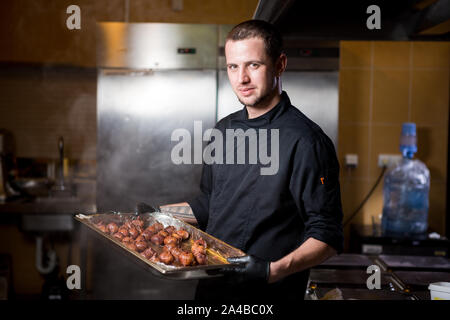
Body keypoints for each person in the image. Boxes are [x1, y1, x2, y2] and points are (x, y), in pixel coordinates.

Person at [161, 19, 343, 301]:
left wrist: (273, 270)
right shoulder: (223, 130)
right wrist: (156, 217)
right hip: (212, 289)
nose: (241, 78)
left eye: (253, 65)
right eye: (233, 66)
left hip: (269, 294)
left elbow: (328, 235)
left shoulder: (307, 141)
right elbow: (210, 203)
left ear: (280, 65)